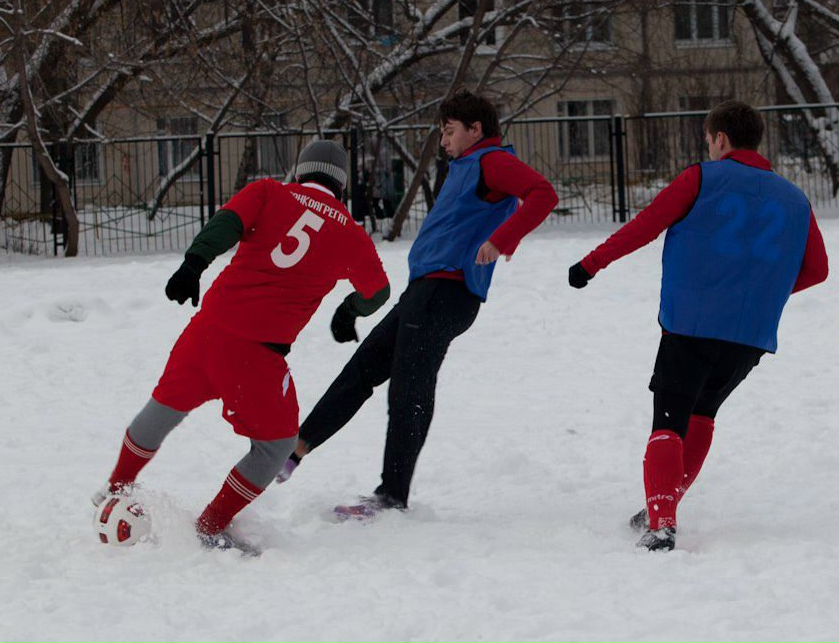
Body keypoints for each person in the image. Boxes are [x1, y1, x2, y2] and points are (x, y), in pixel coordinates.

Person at [92, 140, 390, 553]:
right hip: (257, 357)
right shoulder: (350, 234)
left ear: (299, 173)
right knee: (276, 446)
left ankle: (115, 487)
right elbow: (378, 292)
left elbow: (227, 222)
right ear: (341, 187)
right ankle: (209, 525)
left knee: (163, 409)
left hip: (206, 332)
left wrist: (193, 264)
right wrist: (348, 311)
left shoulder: (269, 191)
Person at [276, 90, 560, 519]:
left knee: (410, 385)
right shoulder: (467, 165)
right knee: (364, 367)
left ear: (475, 129)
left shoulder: (492, 161)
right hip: (424, 292)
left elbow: (543, 193)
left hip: (447, 291)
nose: (443, 141)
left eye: (449, 131)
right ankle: (296, 449)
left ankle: (391, 496)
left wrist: (502, 240)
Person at [568, 100, 829, 551]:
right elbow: (817, 269)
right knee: (703, 414)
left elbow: (646, 226)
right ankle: (663, 505)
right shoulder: (794, 198)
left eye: (709, 140)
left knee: (669, 419)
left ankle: (661, 524)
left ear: (720, 139)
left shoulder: (701, 178)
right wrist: (759, 294)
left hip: (691, 325)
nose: (709, 148)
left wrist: (590, 264)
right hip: (749, 337)